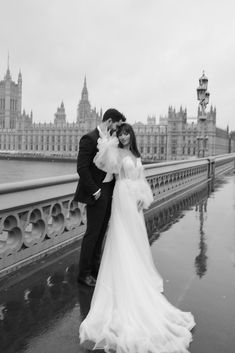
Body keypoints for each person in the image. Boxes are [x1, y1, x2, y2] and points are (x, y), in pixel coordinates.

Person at [79, 123, 196, 353]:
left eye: (125, 133)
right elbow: (98, 163)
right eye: (120, 133)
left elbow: (142, 177)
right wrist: (106, 140)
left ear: (131, 135)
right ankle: (124, 276)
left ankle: (136, 273)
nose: (122, 136)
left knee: (135, 241)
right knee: (121, 239)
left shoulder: (135, 154)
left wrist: (143, 195)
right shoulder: (116, 151)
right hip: (121, 197)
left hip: (134, 199)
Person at [73, 108, 126, 287]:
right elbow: (81, 168)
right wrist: (95, 191)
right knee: (92, 234)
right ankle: (84, 274)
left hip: (110, 190)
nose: (118, 129)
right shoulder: (89, 138)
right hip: (97, 192)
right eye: (117, 125)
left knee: (102, 232)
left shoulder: (113, 139)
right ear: (109, 121)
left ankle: (96, 270)